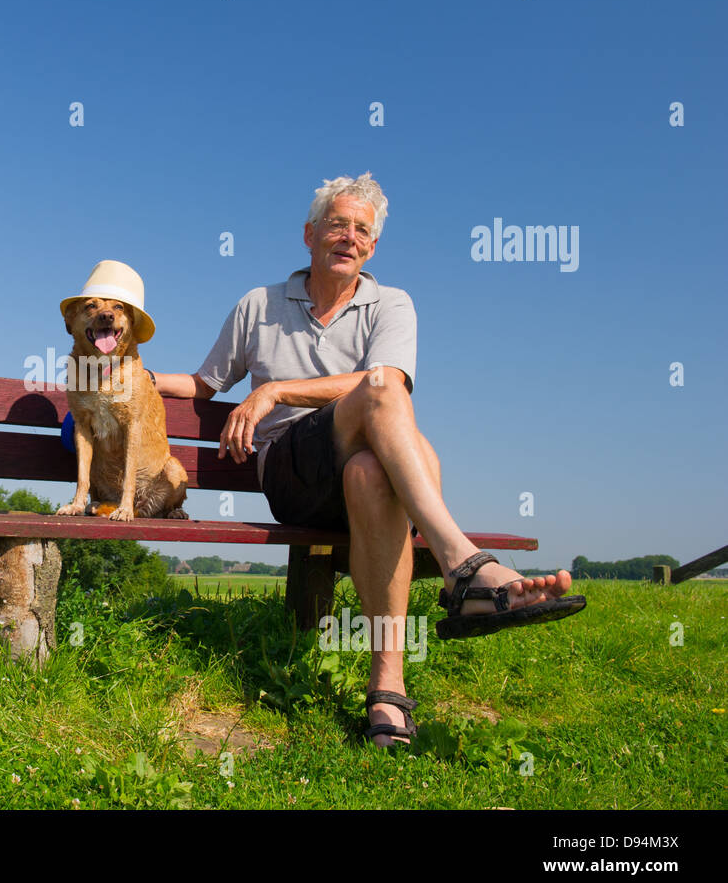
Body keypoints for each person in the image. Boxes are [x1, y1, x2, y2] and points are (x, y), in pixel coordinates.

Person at [154, 172, 585, 746]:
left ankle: (387, 688)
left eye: (362, 230)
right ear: (309, 234)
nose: (349, 237)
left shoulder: (393, 303)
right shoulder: (259, 304)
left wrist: (277, 388)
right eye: (337, 225)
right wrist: (136, 374)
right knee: (382, 391)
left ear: (373, 247)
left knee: (371, 464)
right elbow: (205, 384)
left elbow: (390, 383)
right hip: (291, 471)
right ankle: (467, 570)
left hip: (361, 475)